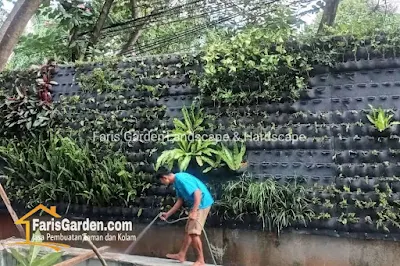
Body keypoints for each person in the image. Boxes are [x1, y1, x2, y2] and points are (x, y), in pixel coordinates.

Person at [157, 170, 214, 266]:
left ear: (164, 178)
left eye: (161, 181)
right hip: (197, 205)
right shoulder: (177, 182)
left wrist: (195, 211)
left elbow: (198, 193)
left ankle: (201, 260)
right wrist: (168, 214)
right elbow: (180, 200)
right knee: (189, 230)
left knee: (193, 232)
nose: (162, 184)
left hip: (202, 204)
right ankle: (181, 254)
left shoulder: (182, 179)